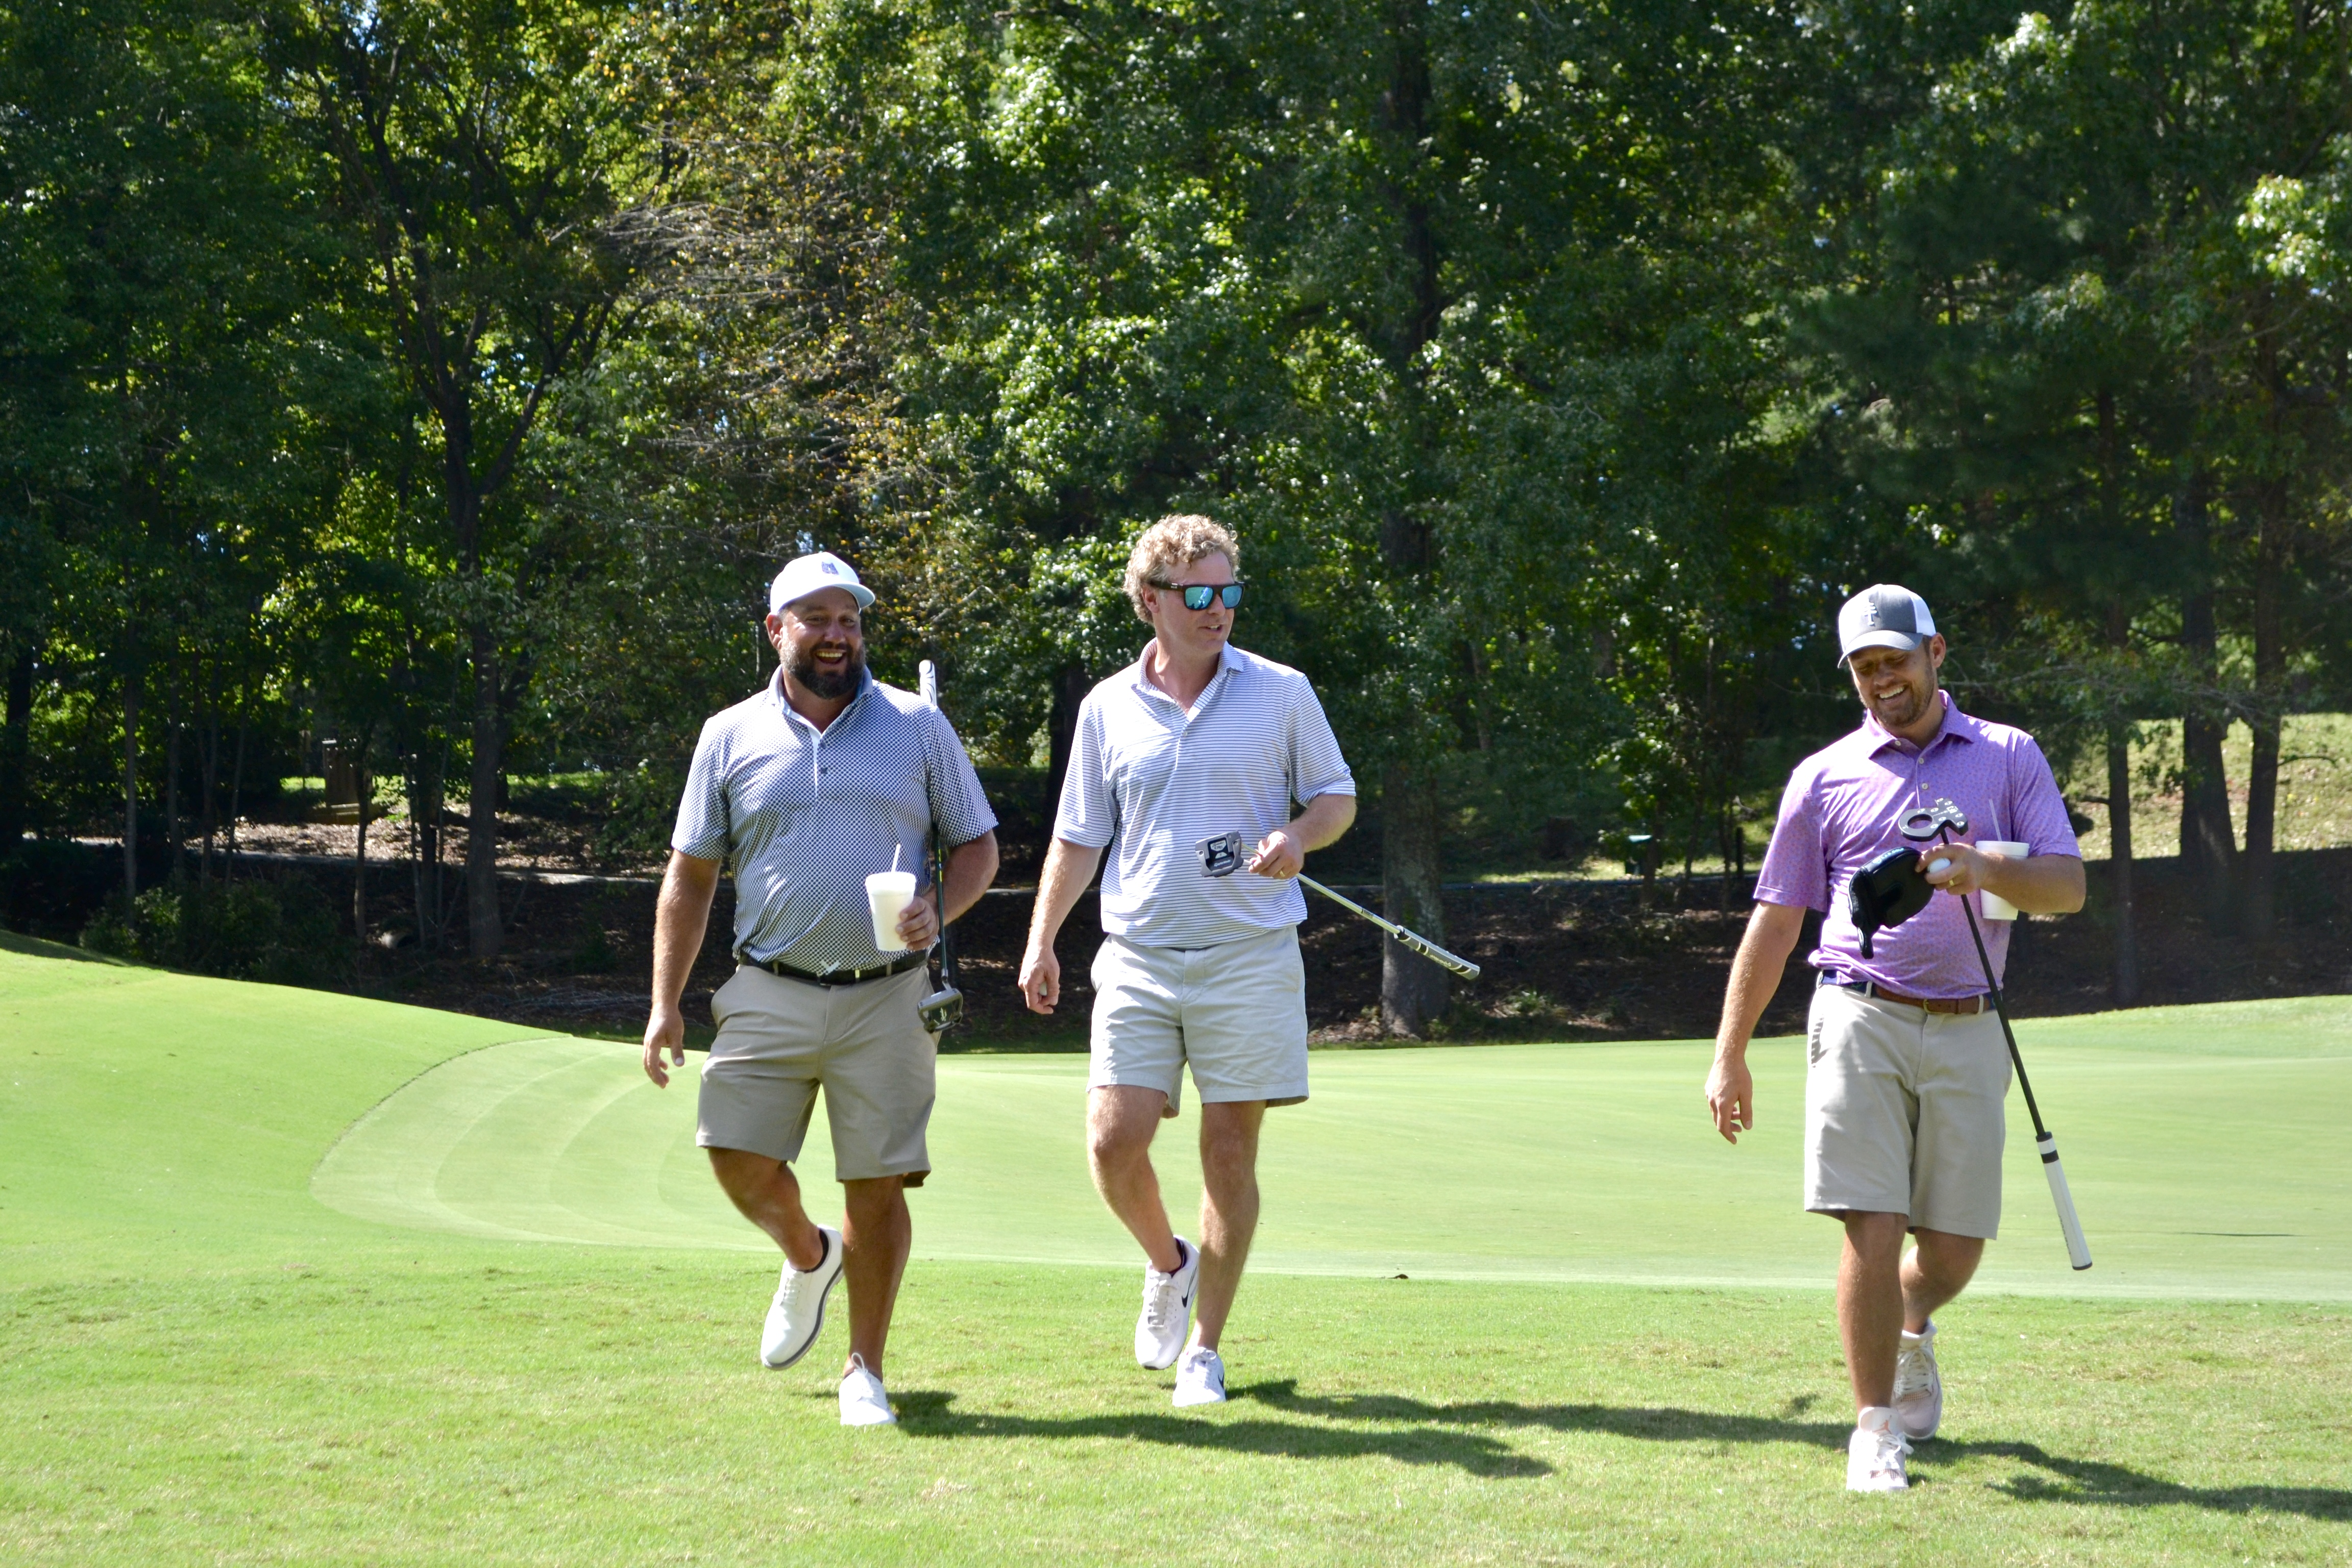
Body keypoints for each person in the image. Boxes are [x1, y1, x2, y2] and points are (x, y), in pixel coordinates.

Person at [1704, 584, 2085, 1492]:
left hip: (1969, 1019)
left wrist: (1979, 867)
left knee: (1951, 1248)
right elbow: (1775, 919)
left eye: (1895, 662)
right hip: (1858, 1009)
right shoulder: (1824, 775)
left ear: (1935, 653)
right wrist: (1730, 1052)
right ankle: (1873, 1431)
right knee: (1870, 1223)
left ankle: (1911, 1317)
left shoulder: (2006, 755)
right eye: (1865, 669)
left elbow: (2066, 886)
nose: (1883, 682)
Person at [642, 550, 999, 1428]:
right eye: (817, 619)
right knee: (734, 1155)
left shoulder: (917, 726)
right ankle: (809, 1255)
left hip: (890, 990)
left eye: (849, 619)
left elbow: (978, 847)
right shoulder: (728, 735)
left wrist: (936, 906)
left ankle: (863, 1371)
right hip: (770, 981)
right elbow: (689, 878)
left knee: (876, 1184)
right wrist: (663, 1005)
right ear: (777, 631)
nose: (837, 635)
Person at [1017, 514, 1357, 1408]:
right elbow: (1079, 837)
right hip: (1138, 953)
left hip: (1248, 954)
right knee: (1112, 1139)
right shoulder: (1105, 708)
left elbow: (1337, 796)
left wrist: (1296, 836)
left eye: (1229, 593)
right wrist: (1042, 937)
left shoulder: (1282, 692)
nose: (1218, 611)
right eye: (1198, 595)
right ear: (1150, 601)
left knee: (1227, 1155)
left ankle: (1204, 1349)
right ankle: (1168, 1263)